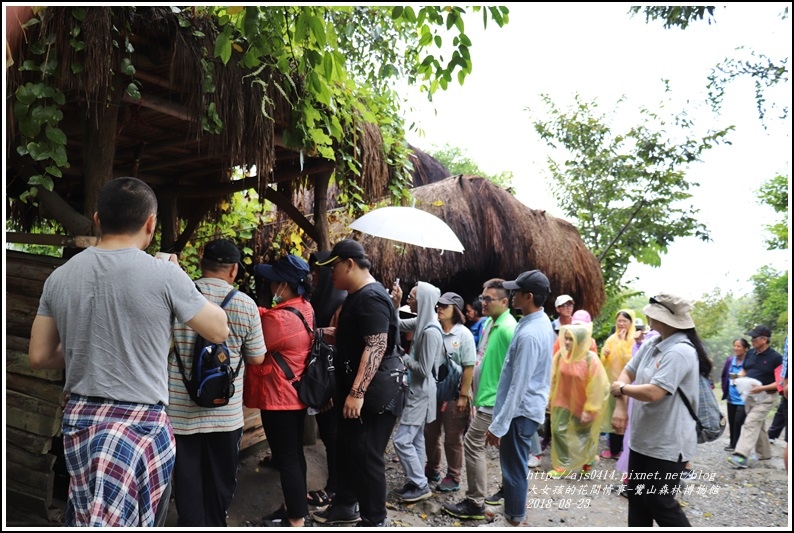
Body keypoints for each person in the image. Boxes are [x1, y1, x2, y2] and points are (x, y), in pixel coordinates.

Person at [28, 177, 229, 527]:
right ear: (151, 223)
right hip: (143, 426)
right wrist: (177, 275)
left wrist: (85, 348)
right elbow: (218, 329)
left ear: (97, 219)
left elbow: (40, 356)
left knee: (90, 515)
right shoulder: (165, 275)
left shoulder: (59, 277)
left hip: (81, 424)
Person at [167, 239, 266, 527]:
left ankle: (191, 522)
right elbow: (258, 359)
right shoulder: (246, 305)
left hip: (180, 414)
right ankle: (215, 521)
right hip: (225, 415)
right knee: (221, 478)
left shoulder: (177, 297)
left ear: (201, 264)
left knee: (186, 479)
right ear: (234, 270)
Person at [311, 239, 399, 527]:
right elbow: (352, 336)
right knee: (348, 450)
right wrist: (316, 334)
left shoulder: (371, 297)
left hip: (374, 395)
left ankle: (375, 519)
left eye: (333, 267)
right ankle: (345, 506)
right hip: (356, 391)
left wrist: (357, 393)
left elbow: (376, 346)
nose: (329, 274)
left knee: (367, 456)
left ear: (350, 264)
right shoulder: (356, 296)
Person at [610, 292, 704, 527]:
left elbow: (654, 392)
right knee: (638, 498)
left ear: (665, 319)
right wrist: (620, 405)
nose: (648, 318)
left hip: (668, 445)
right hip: (643, 440)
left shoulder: (680, 351)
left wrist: (621, 389)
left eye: (652, 315)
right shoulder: (654, 343)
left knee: (659, 501)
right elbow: (628, 371)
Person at [244, 254, 315, 527]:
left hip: (278, 399)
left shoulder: (280, 320)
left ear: (284, 284)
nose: (271, 285)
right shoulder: (305, 307)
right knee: (294, 455)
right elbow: (273, 320)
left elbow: (256, 348)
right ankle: (294, 507)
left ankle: (295, 519)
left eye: (274, 280)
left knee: (287, 459)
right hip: (293, 396)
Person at [484, 270, 555, 526]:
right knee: (516, 466)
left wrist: (499, 425)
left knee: (513, 469)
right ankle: (515, 512)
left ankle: (514, 518)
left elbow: (519, 385)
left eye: (516, 291)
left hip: (520, 411)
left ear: (529, 296)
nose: (511, 295)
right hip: (525, 409)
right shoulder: (538, 323)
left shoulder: (529, 334)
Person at [443, 278, 517, 521]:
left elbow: (514, 371)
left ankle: (476, 502)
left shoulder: (508, 328)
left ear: (504, 302)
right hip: (483, 397)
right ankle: (491, 497)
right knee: (482, 445)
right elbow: (483, 359)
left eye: (488, 299)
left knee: (473, 444)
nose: (483, 302)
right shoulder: (489, 324)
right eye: (483, 297)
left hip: (493, 400)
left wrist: (500, 406)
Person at [390, 281, 443, 503]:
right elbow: (396, 324)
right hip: (419, 391)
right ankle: (417, 480)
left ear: (423, 301)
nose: (410, 300)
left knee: (401, 441)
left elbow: (423, 369)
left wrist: (403, 357)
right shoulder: (423, 322)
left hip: (420, 393)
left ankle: (420, 484)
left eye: (412, 297)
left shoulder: (430, 331)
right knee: (417, 439)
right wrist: (397, 302)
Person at [304, 251, 348, 508]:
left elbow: (338, 348)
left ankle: (335, 488)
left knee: (333, 437)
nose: (314, 276)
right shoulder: (319, 300)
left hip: (333, 382)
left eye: (318, 272)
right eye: (313, 271)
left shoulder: (341, 303)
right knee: (330, 436)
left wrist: (332, 389)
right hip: (321, 380)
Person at [424, 292, 476, 493]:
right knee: (430, 432)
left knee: (453, 437)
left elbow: (469, 367)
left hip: (455, 395)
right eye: (438, 305)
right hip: (433, 392)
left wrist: (463, 395)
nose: (440, 308)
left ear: (455, 310)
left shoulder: (463, 334)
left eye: (445, 306)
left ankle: (454, 475)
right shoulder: (434, 330)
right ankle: (433, 468)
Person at [547, 323, 609, 479]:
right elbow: (552, 378)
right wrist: (549, 398)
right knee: (558, 430)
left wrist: (590, 409)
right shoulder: (561, 356)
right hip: (562, 401)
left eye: (571, 339)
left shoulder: (590, 359)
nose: (566, 343)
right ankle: (563, 465)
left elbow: (598, 386)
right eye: (566, 338)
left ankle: (589, 460)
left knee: (585, 435)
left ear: (580, 341)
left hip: (583, 404)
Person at [727, 325, 783, 469]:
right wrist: (738, 378)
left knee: (750, 423)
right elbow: (745, 370)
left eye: (754, 338)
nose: (751, 340)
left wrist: (761, 388)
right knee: (758, 425)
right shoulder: (751, 353)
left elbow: (780, 383)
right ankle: (764, 454)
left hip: (766, 397)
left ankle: (741, 456)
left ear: (764, 339)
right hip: (750, 397)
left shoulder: (776, 358)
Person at [600, 309, 637, 460]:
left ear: (631, 323)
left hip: (627, 384)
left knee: (624, 416)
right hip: (611, 382)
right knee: (611, 415)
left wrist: (622, 343)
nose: (621, 324)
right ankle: (614, 448)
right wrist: (604, 355)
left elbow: (630, 361)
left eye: (625, 321)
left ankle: (618, 450)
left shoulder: (633, 340)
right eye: (619, 321)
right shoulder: (611, 338)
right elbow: (602, 362)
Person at [720, 338, 750, 452]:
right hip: (731, 397)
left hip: (743, 398)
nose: (736, 348)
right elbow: (724, 376)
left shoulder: (749, 361)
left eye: (739, 346)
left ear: (745, 348)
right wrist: (725, 389)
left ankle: (740, 445)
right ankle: (733, 444)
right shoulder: (730, 360)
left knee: (739, 421)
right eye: (735, 346)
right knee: (732, 421)